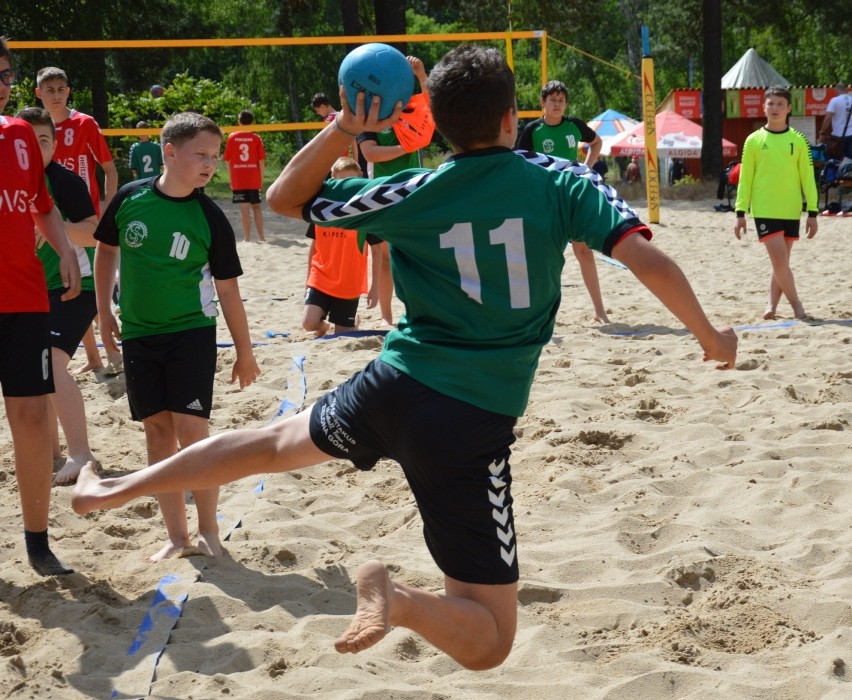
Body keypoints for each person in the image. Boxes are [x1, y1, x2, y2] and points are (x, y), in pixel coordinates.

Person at [73, 45, 737, 669]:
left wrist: (344, 129)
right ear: (513, 117)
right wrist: (709, 335)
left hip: (393, 385)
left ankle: (115, 487)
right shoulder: (558, 179)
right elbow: (644, 256)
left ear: (438, 128)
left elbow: (284, 199)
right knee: (492, 638)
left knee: (272, 441)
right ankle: (399, 600)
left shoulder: (414, 191)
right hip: (469, 422)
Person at [92, 111, 261, 562]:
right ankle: (176, 536)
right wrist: (103, 309)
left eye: (215, 156)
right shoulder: (130, 198)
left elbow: (228, 290)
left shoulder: (209, 217)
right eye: (200, 155)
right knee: (156, 431)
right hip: (140, 335)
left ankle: (209, 531)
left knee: (193, 433)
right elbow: (107, 250)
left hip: (191, 333)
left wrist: (244, 352)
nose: (211, 164)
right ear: (168, 152)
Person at [1, 37, 81, 576]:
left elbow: (40, 206)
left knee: (31, 417)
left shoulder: (21, 135)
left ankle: (36, 541)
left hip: (23, 295)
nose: (2, 86)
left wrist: (66, 248)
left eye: (6, 75)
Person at [16, 106, 100, 486]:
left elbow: (92, 232)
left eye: (44, 141)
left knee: (52, 362)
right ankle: (52, 453)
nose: (37, 148)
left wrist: (55, 229)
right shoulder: (11, 183)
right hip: (29, 289)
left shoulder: (63, 181)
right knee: (35, 369)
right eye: (28, 142)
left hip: (77, 284)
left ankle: (82, 454)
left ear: (55, 143)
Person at [36, 65, 120, 374]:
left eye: (61, 89)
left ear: (68, 91)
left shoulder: (84, 123)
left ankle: (113, 355)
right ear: (39, 94)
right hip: (48, 217)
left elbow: (109, 168)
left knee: (92, 286)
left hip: (83, 218)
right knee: (68, 285)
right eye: (50, 90)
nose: (56, 96)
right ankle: (94, 358)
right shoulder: (30, 128)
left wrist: (109, 207)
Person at [517, 80, 609, 323]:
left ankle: (599, 311)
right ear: (542, 103)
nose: (557, 104)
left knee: (583, 251)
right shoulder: (532, 130)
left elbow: (596, 143)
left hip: (571, 195)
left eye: (561, 100)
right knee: (546, 255)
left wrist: (585, 169)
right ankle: (540, 313)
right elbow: (519, 162)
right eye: (552, 100)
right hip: (544, 199)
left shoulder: (574, 125)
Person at [734, 86, 819, 321]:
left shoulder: (798, 140)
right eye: (770, 103)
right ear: (763, 107)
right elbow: (745, 177)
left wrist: (813, 211)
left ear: (789, 108)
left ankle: (771, 305)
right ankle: (797, 307)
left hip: (791, 209)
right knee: (780, 260)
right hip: (764, 209)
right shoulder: (753, 140)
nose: (775, 108)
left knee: (781, 263)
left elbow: (807, 177)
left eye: (780, 104)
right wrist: (740, 211)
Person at [356, 56, 429, 327]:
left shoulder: (408, 110)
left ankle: (416, 312)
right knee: (385, 257)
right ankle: (386, 317)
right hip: (382, 194)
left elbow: (433, 110)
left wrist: (422, 77)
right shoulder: (370, 117)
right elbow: (369, 153)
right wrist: (404, 149)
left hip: (411, 191)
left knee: (414, 256)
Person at [302, 157, 382, 336]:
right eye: (341, 182)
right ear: (332, 181)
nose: (345, 187)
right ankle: (324, 326)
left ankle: (353, 322)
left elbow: (377, 251)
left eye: (350, 182)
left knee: (342, 335)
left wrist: (374, 287)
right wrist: (308, 279)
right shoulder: (322, 208)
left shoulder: (365, 212)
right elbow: (314, 246)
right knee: (309, 323)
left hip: (349, 282)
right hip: (321, 276)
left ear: (359, 181)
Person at [223, 109, 266, 243]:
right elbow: (261, 161)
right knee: (257, 207)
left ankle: (247, 239)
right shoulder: (256, 138)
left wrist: (231, 179)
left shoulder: (232, 137)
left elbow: (227, 161)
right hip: (253, 178)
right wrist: (261, 178)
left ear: (238, 122)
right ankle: (261, 237)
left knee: (244, 209)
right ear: (252, 122)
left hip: (238, 179)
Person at [818, 81, 852, 161]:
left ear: (836, 91)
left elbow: (828, 118)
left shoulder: (834, 100)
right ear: (846, 90)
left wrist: (822, 132)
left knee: (833, 162)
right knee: (850, 162)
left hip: (838, 137)